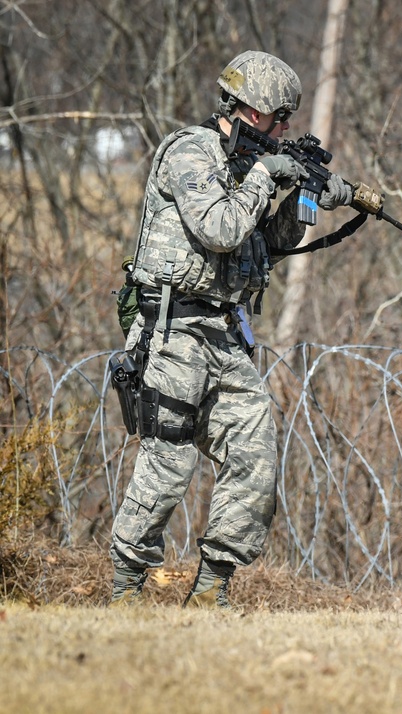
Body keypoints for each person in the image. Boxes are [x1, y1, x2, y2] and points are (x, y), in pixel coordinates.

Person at [108, 50, 353, 609]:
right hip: (170, 330)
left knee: (255, 455)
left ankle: (212, 590)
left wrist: (309, 198)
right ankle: (123, 592)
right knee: (168, 463)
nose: (286, 128)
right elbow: (219, 228)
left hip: (223, 335)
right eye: (280, 117)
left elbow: (260, 246)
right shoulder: (189, 153)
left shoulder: (250, 167)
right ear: (250, 109)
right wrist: (267, 175)